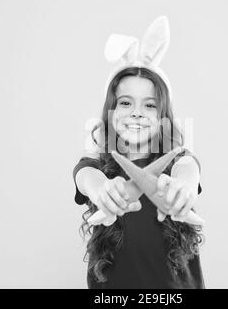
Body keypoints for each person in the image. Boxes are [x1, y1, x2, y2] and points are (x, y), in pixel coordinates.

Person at [72, 16, 205, 288]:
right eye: (125, 102)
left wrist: (182, 189)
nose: (136, 112)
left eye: (150, 105)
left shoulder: (178, 162)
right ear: (110, 111)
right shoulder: (96, 169)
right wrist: (102, 191)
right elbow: (86, 179)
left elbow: (188, 171)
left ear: (163, 115)